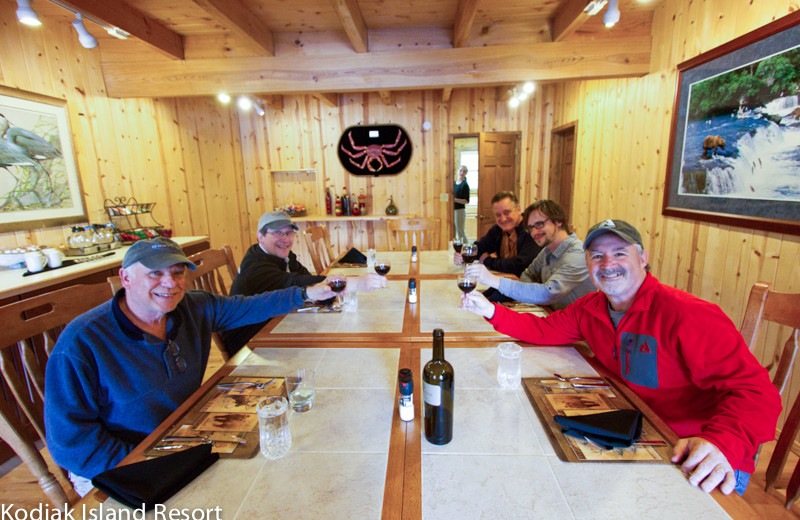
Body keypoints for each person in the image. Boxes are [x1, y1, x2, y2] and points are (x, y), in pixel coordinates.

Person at [459, 219, 781, 496]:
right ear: (587, 263)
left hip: (697, 455)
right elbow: (544, 331)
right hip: (634, 432)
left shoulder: (689, 315)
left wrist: (722, 442)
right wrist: (489, 310)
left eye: (619, 253)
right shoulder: (591, 308)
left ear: (643, 258)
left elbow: (759, 394)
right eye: (596, 255)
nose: (607, 264)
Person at [44, 237, 337, 495]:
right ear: (125, 278)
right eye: (154, 273)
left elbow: (250, 306)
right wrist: (143, 463)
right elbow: (70, 443)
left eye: (177, 272)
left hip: (181, 435)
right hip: (116, 462)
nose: (170, 282)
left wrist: (307, 294)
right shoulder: (81, 343)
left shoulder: (195, 306)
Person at [220, 211, 386, 353]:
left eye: (289, 232)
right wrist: (355, 283)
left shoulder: (282, 255)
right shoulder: (256, 267)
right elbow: (296, 282)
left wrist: (326, 288)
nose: (285, 239)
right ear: (260, 236)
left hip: (277, 321)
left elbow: (305, 277)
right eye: (278, 233)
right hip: (250, 342)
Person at [465, 200, 594, 310]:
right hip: (550, 316)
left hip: (577, 333)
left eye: (539, 224)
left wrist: (493, 280)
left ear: (558, 222)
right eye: (530, 228)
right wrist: (534, 292)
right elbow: (527, 274)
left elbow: (547, 294)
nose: (534, 232)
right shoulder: (548, 250)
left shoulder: (577, 254)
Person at [462, 191, 541, 277]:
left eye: (507, 212)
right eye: (498, 215)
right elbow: (479, 248)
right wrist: (463, 252)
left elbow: (520, 265)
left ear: (518, 210)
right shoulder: (498, 230)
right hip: (505, 282)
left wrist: (487, 260)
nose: (503, 219)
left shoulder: (531, 230)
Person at [453, 165, 470, 243]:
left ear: (466, 173)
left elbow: (466, 201)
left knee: (460, 231)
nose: (462, 173)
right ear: (457, 171)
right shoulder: (453, 183)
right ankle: (458, 249)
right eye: (460, 170)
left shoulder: (465, 185)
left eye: (464, 171)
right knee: (454, 231)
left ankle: (467, 247)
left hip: (460, 210)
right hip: (453, 210)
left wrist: (454, 200)